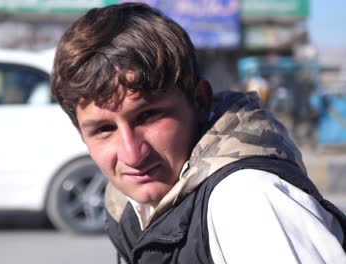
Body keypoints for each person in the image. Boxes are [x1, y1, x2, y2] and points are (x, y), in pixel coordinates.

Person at [51, 3, 346, 263]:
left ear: (200, 101)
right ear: (80, 132)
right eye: (104, 129)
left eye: (149, 116)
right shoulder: (127, 205)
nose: (132, 154)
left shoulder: (244, 199)